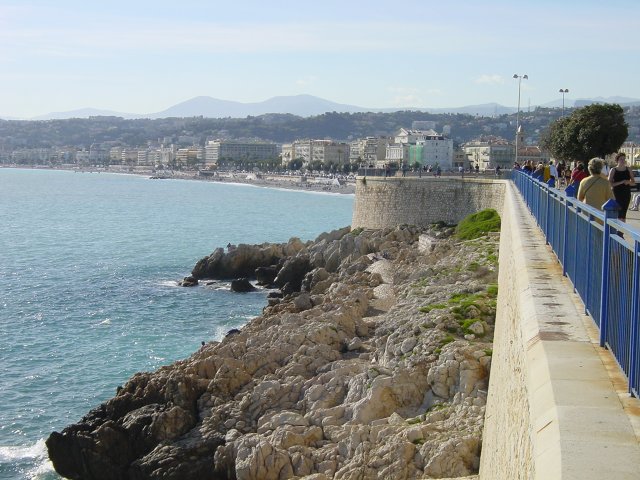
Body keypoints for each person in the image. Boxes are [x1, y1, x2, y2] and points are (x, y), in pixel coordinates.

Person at [608, 152, 635, 221]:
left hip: (626, 194)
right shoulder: (613, 170)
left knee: (623, 213)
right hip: (616, 194)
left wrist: (628, 182)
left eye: (624, 159)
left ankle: (621, 230)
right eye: (621, 159)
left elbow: (633, 183)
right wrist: (621, 182)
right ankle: (618, 230)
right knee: (618, 212)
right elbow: (610, 184)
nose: (623, 161)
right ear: (617, 160)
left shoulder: (628, 169)